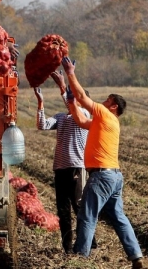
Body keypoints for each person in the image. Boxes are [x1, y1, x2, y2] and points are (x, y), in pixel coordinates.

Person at [61, 57, 144, 269]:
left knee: (87, 216)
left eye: (107, 100)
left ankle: (80, 259)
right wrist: (71, 103)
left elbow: (81, 95)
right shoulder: (107, 121)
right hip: (114, 176)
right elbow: (80, 120)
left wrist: (70, 72)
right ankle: (136, 256)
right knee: (118, 217)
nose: (103, 102)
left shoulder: (105, 114)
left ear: (113, 106)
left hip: (101, 175)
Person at [34, 71, 97, 253]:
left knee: (79, 207)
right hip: (60, 168)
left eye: (75, 98)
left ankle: (89, 242)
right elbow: (42, 125)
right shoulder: (61, 117)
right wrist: (40, 102)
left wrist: (63, 85)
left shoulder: (84, 116)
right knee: (63, 211)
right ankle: (67, 247)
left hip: (77, 167)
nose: (72, 101)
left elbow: (72, 106)